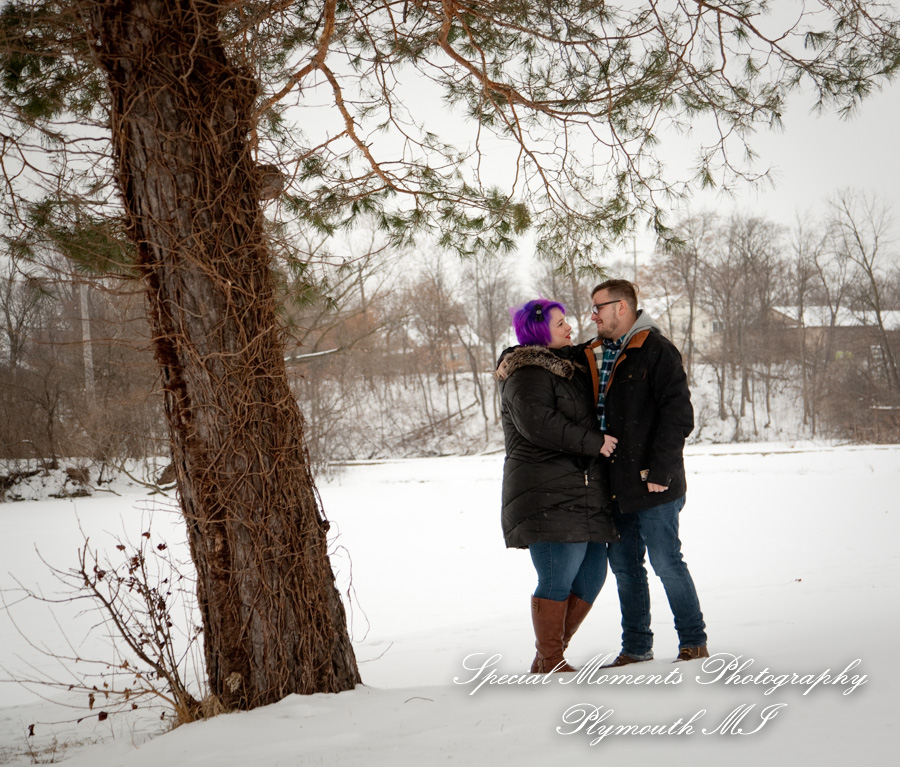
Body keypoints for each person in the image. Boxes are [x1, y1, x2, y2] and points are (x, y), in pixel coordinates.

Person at [589, 279, 708, 664]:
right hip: (614, 486)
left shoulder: (657, 350)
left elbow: (678, 416)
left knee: (666, 562)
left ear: (621, 307)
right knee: (625, 568)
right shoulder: (596, 351)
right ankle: (637, 647)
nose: (594, 315)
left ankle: (694, 641)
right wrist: (510, 358)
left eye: (599, 307)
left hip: (655, 484)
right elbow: (545, 356)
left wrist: (661, 470)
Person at [496, 298, 618, 674]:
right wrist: (594, 442)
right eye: (560, 322)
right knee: (557, 577)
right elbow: (539, 425)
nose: (569, 326)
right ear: (539, 331)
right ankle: (550, 658)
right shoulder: (525, 374)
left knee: (593, 575)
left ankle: (549, 655)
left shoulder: (568, 366)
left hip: (582, 488)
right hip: (545, 492)